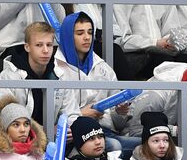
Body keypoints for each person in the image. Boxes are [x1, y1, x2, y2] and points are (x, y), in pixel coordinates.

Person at [55, 11, 131, 142]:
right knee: (116, 145)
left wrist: (120, 112)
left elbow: (118, 124)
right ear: (68, 36)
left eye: (90, 32)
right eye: (80, 33)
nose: (87, 37)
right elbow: (54, 119)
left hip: (106, 132)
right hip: (77, 135)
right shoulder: (55, 69)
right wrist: (83, 115)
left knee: (140, 145)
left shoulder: (103, 67)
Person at [0, 20, 70, 128]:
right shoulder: (7, 77)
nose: (45, 50)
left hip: (56, 139)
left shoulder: (60, 76)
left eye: (49, 45)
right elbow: (9, 122)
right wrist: (47, 132)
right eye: (39, 45)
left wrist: (67, 129)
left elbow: (71, 113)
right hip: (18, 142)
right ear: (27, 47)